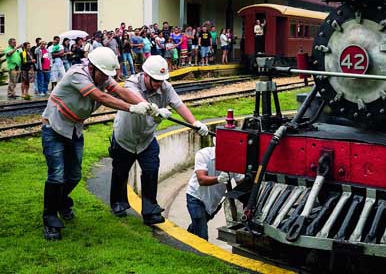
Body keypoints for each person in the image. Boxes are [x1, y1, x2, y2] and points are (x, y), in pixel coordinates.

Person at [41, 47, 154, 240]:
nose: (105, 78)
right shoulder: (77, 74)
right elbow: (101, 97)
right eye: (103, 74)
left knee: (74, 176)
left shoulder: (103, 75)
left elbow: (120, 90)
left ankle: (60, 202)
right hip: (54, 129)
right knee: (57, 175)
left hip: (74, 130)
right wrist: (133, 108)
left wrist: (148, 106)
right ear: (92, 68)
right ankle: (50, 218)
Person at [109, 56, 209, 225]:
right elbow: (133, 97)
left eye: (161, 80)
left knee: (151, 170)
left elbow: (179, 105)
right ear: (145, 75)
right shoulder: (132, 84)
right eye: (155, 80)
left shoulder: (165, 87)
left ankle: (150, 210)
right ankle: (118, 203)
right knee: (120, 172)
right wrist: (153, 108)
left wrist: (195, 123)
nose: (158, 84)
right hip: (125, 137)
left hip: (146, 138)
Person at [186, 142, 244, 240]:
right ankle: (202, 254)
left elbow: (241, 184)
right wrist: (218, 179)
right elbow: (201, 180)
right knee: (202, 235)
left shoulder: (233, 159)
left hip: (213, 203)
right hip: (196, 198)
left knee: (198, 225)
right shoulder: (203, 154)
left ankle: (187, 237)